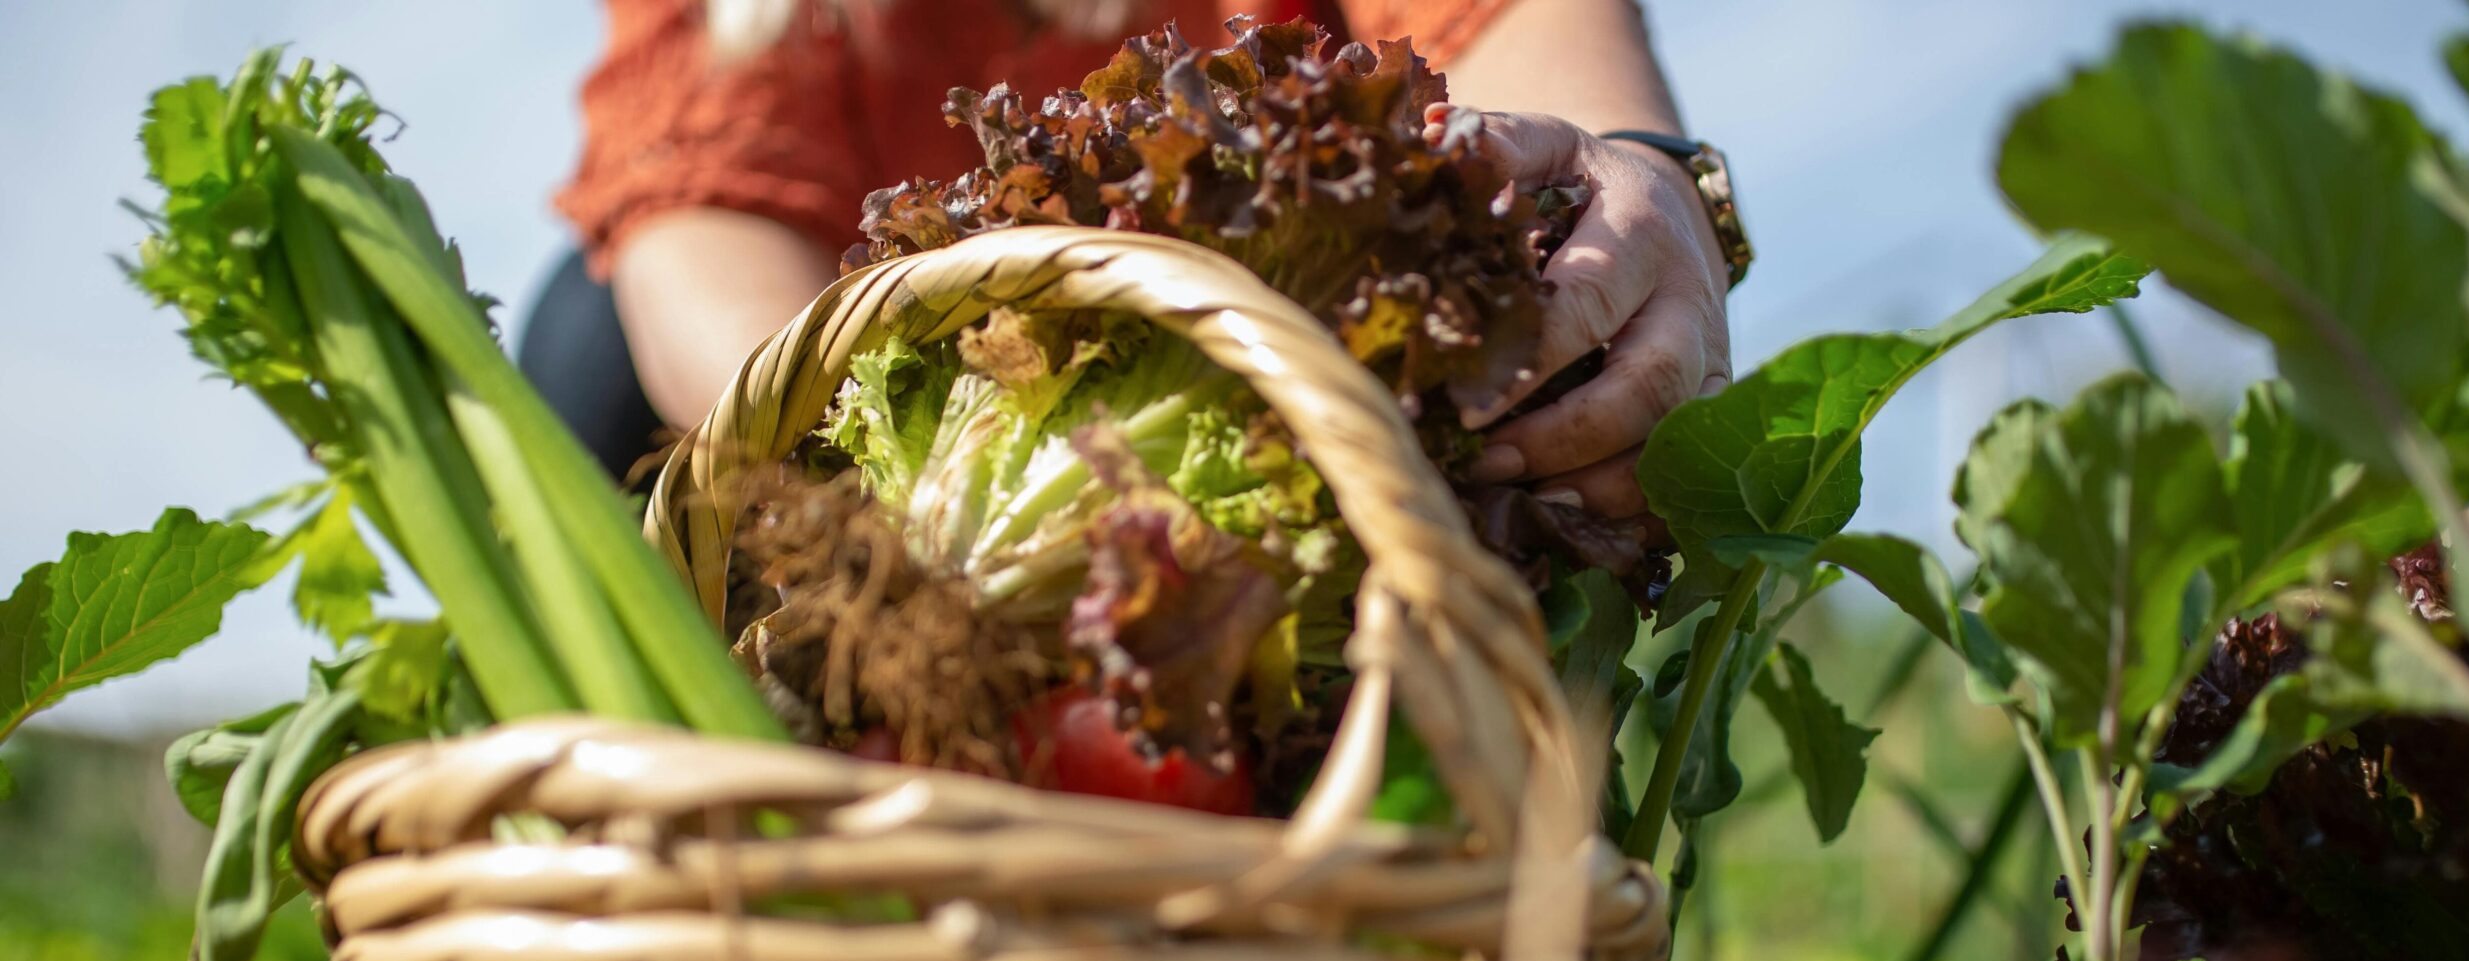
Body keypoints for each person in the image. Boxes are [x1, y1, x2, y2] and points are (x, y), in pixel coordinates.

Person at [520, 0, 1741, 529]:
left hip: (1319, 461)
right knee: (588, 347)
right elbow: (697, 224)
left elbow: (1532, 47)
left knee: (1536, 377)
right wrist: (966, 497)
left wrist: (1632, 180)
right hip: (936, 494)